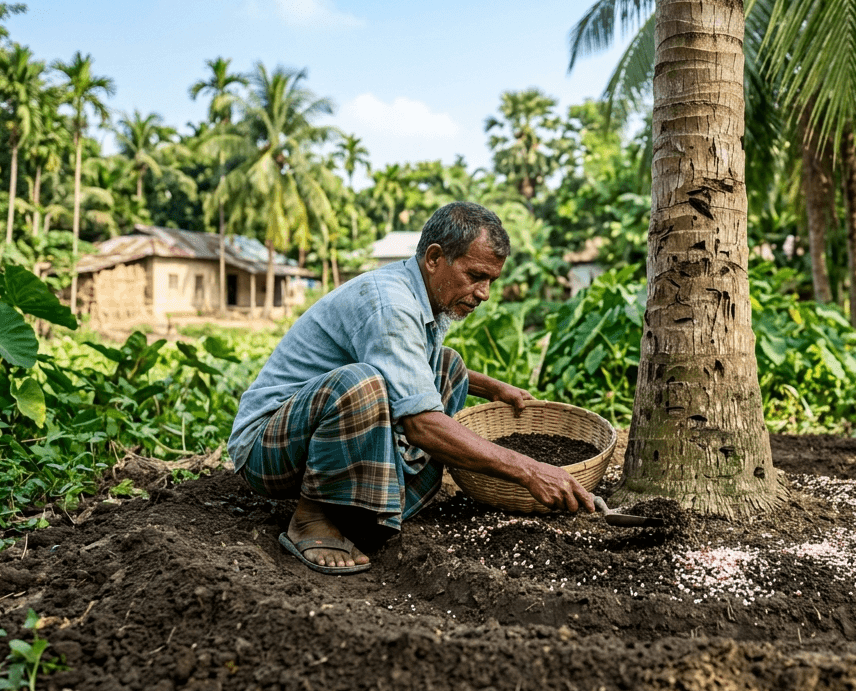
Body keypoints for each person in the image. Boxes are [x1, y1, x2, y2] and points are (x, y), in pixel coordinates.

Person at [228, 202, 593, 575]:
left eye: (490, 281)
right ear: (435, 258)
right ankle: (312, 518)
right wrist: (530, 471)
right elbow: (421, 424)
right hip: (268, 447)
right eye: (475, 276)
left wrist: (493, 388)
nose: (484, 293)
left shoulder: (426, 297)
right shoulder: (391, 303)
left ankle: (364, 513)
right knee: (362, 384)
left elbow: (413, 367)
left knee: (449, 365)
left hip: (321, 433)